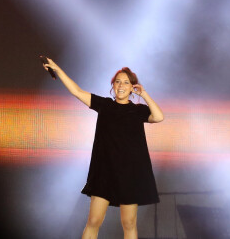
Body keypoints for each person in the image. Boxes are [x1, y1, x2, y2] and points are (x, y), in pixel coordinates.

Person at [42, 57, 164, 239]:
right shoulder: (105, 105)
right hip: (104, 172)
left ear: (132, 88)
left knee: (129, 223)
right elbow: (76, 91)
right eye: (117, 81)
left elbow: (159, 117)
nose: (121, 85)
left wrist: (144, 95)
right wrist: (58, 70)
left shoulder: (138, 110)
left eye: (126, 82)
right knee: (94, 221)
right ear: (112, 85)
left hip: (130, 173)